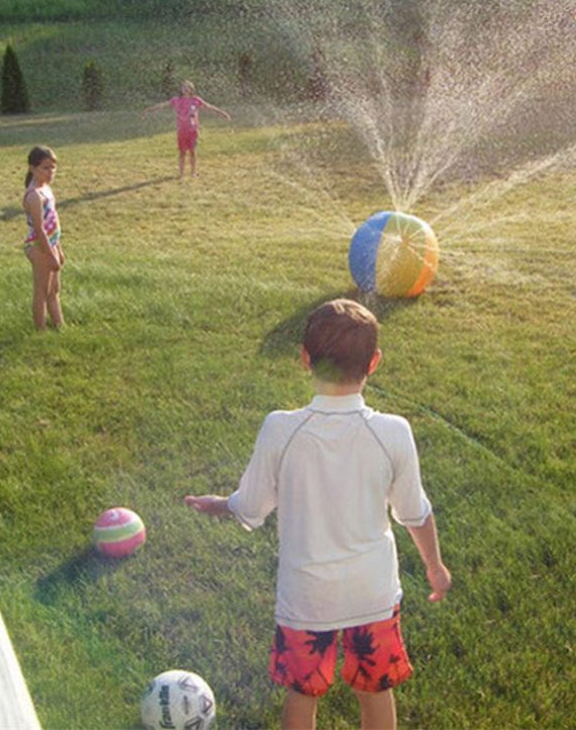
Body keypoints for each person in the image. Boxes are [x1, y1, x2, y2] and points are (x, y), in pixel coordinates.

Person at [185, 298, 452, 730]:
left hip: (306, 598)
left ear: (305, 359)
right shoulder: (393, 433)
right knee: (375, 689)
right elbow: (414, 513)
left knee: (302, 693)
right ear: (375, 363)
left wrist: (221, 504)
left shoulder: (280, 429)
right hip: (373, 596)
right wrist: (435, 567)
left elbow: (251, 506)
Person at [141, 80, 231, 180]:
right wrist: (148, 110)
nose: (185, 89)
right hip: (181, 131)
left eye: (188, 87)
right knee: (182, 152)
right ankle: (181, 174)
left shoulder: (196, 100)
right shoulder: (176, 100)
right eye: (184, 87)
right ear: (181, 89)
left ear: (192, 89)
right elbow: (162, 105)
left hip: (193, 130)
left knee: (192, 151)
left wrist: (222, 113)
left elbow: (209, 107)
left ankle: (193, 172)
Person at [23, 145, 64, 331]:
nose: (50, 172)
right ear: (32, 168)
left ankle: (59, 326)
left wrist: (59, 249)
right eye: (45, 168)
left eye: (53, 168)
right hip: (39, 246)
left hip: (51, 244)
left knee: (54, 290)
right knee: (41, 291)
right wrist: (50, 254)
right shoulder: (34, 196)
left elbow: (53, 224)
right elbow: (39, 229)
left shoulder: (46, 189)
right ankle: (41, 331)